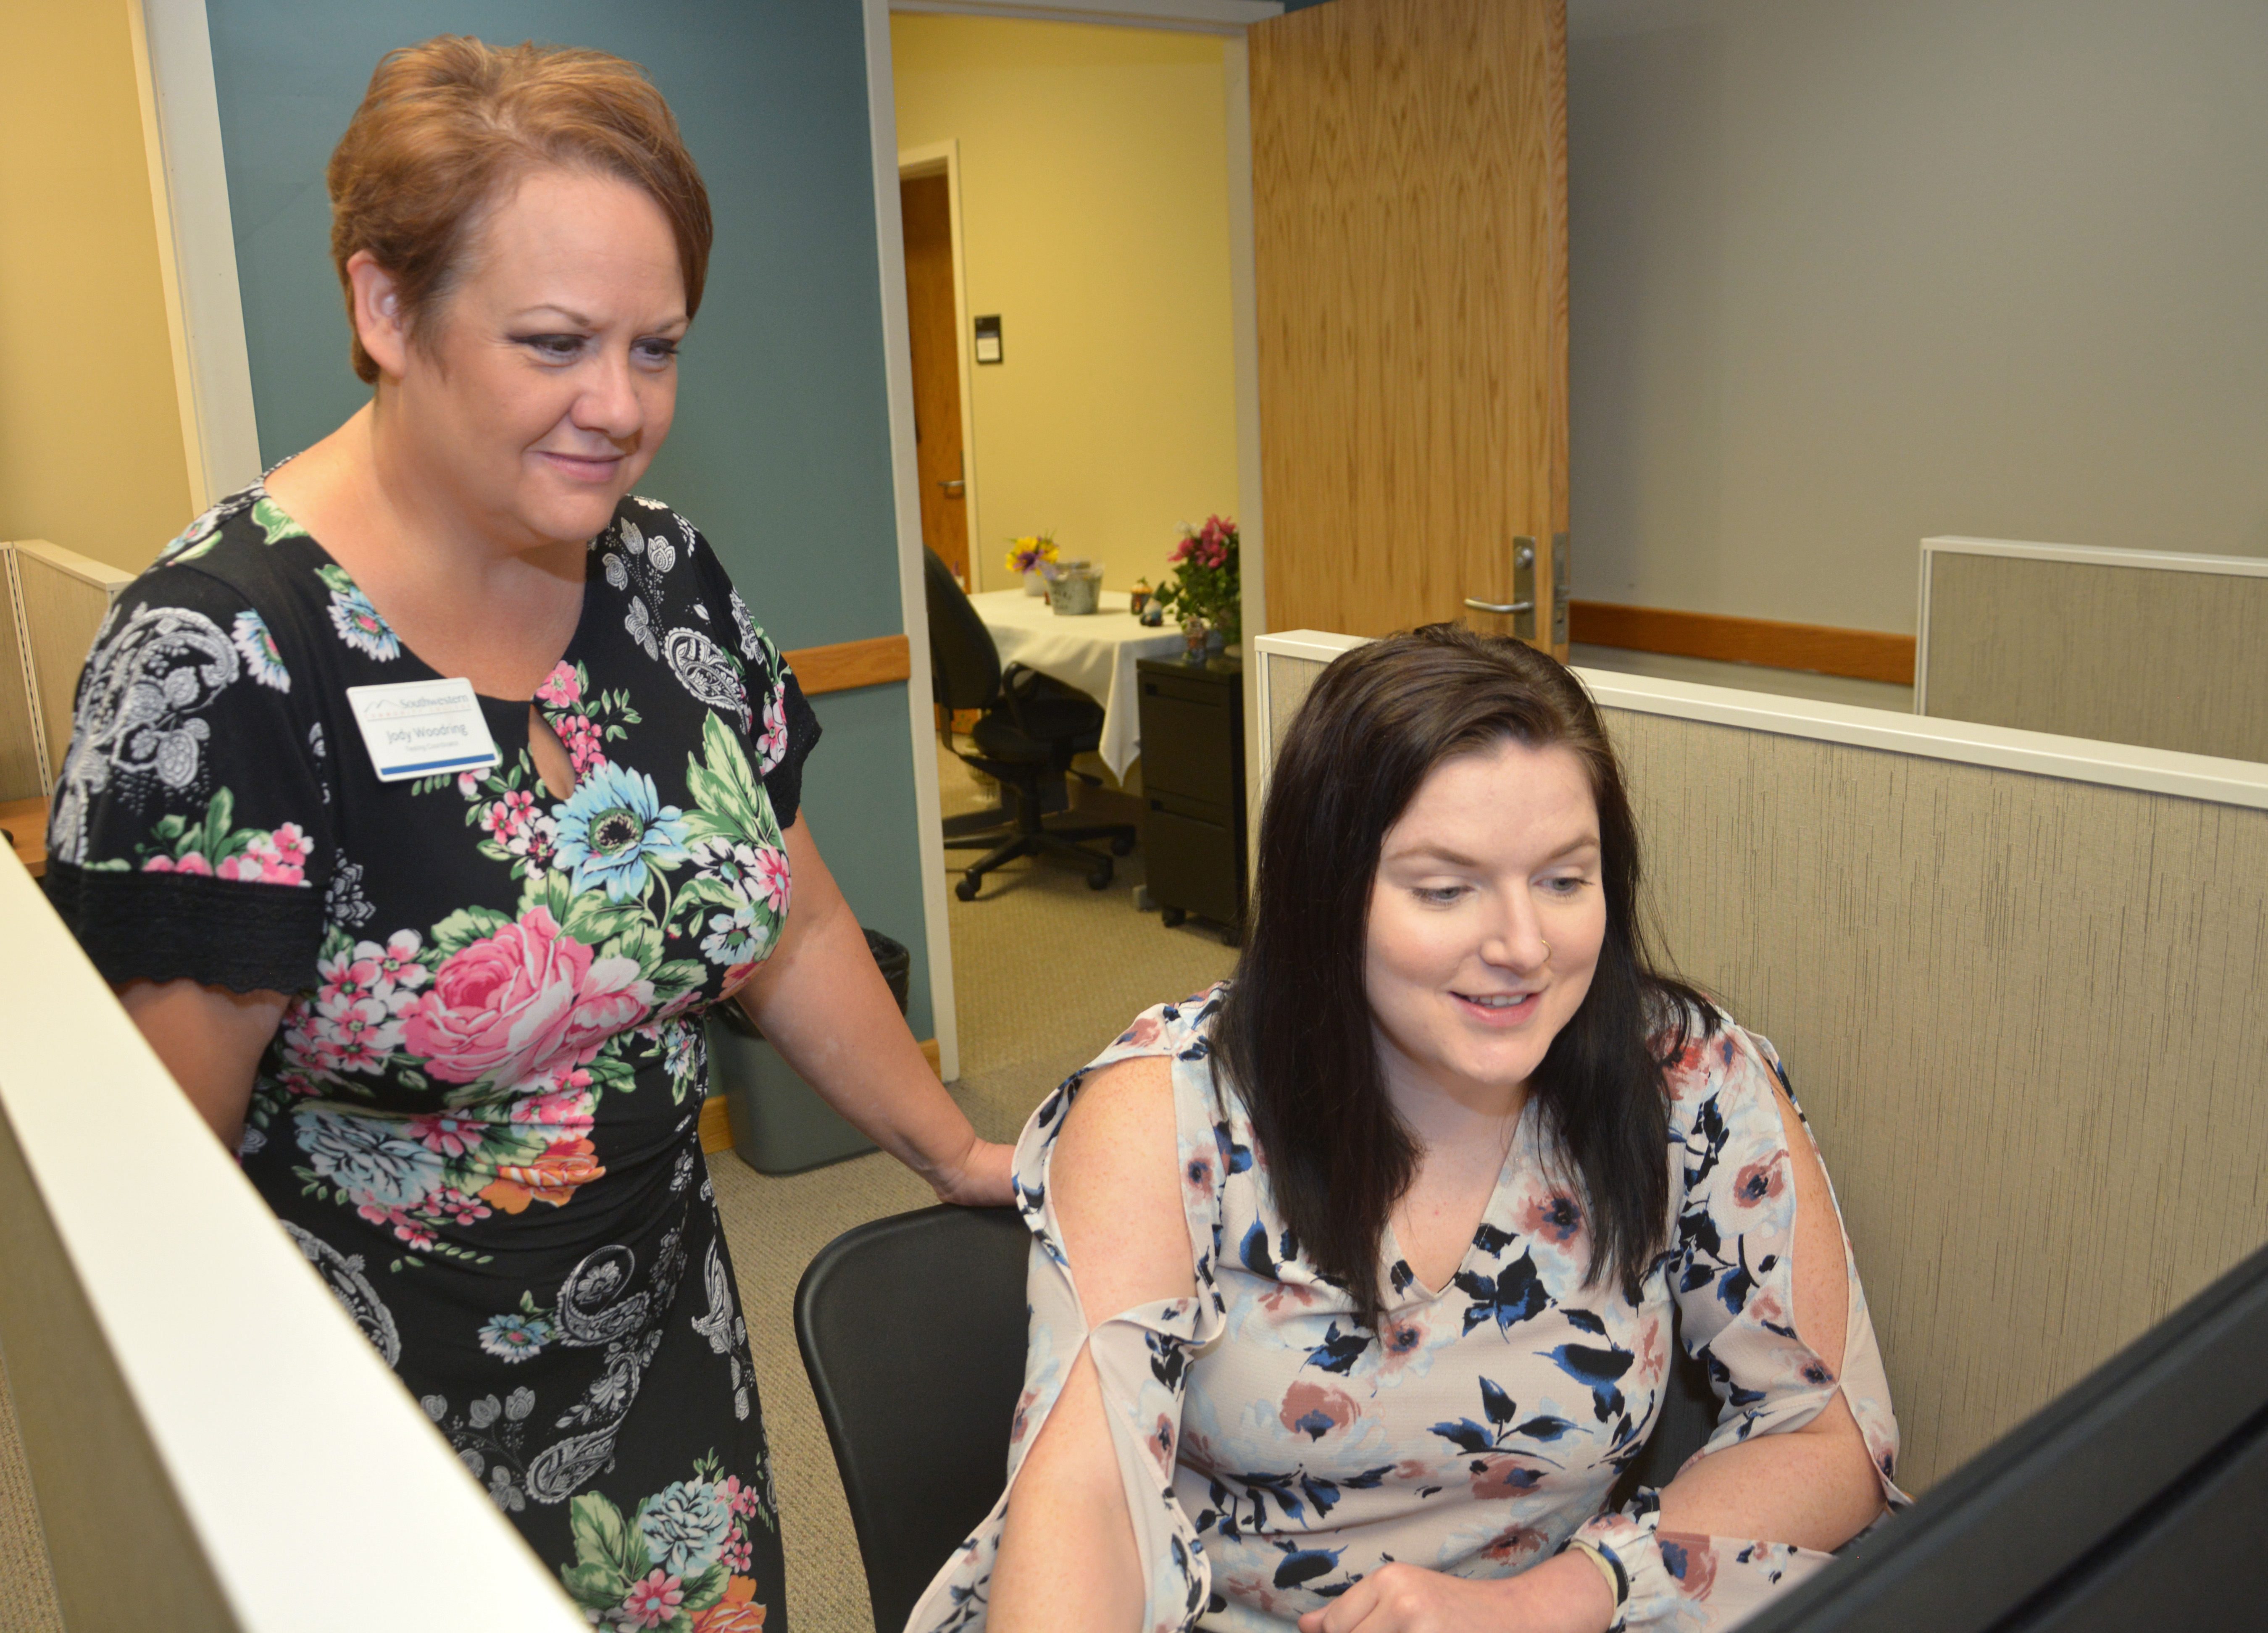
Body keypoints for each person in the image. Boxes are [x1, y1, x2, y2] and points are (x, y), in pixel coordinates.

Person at [42, 36, 1010, 1630]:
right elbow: (153, 1193)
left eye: (657, 345)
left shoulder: (665, 584)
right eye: (554, 342)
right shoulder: (225, 659)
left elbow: (797, 924)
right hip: (375, 1427)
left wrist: (951, 1147)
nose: (617, 407)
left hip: (667, 1379)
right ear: (384, 310)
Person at [910, 626, 1905, 1633]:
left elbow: (1828, 1439)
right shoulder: (1169, 1107)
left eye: (1564, 880)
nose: (1522, 947)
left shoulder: (1681, 1080)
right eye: (1444, 890)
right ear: (1326, 895)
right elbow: (1086, 1498)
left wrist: (1554, 1598)